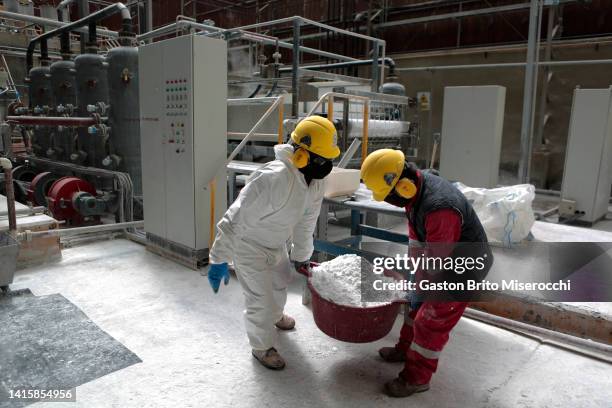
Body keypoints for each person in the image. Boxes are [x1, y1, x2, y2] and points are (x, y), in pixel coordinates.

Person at [207, 115, 340, 370]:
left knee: (280, 284)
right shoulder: (272, 179)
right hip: (249, 246)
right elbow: (234, 220)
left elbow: (306, 222)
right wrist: (219, 259)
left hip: (276, 243)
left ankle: (276, 316)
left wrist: (302, 255)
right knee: (259, 299)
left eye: (329, 159)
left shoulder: (314, 181)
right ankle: (261, 346)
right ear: (302, 155)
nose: (327, 165)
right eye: (323, 159)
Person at [360, 148, 493, 398]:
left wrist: (421, 281)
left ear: (402, 186)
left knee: (429, 320)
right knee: (414, 304)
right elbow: (418, 238)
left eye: (388, 195)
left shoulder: (440, 207)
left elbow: (438, 261)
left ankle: (416, 378)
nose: (388, 200)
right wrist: (413, 275)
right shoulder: (414, 191)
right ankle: (404, 350)